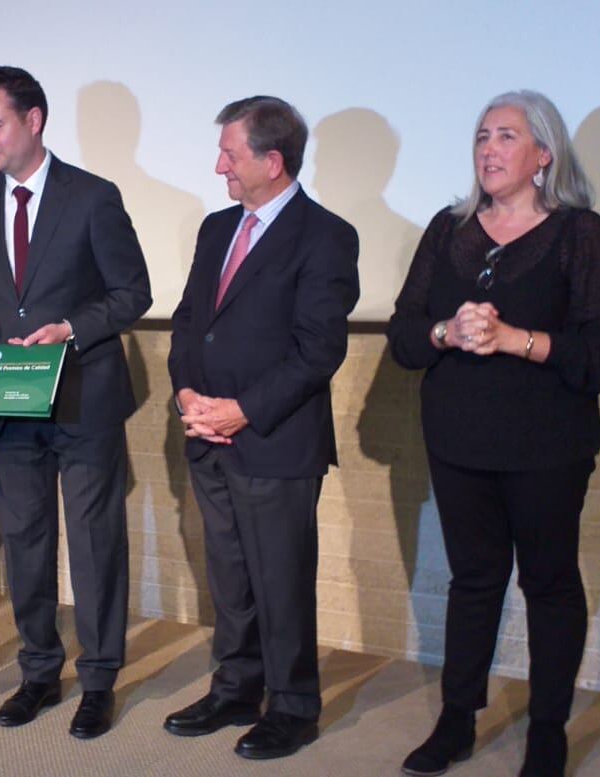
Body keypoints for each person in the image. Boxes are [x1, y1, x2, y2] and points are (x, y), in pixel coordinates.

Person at [386, 90, 600, 777]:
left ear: (544, 155)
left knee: (549, 582)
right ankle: (457, 719)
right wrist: (446, 331)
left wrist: (516, 339)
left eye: (507, 137)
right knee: (473, 579)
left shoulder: (581, 234)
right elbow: (405, 336)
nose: (489, 149)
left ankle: (547, 730)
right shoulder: (448, 229)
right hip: (458, 440)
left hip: (547, 446)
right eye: (482, 136)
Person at [0, 64, 151, 740]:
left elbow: (133, 293)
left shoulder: (95, 197)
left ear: (33, 120)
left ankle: (98, 679)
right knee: (27, 539)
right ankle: (40, 670)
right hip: (9, 395)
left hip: (85, 393)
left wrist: (71, 328)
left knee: (95, 543)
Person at [164, 96, 359, 760]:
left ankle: (294, 705)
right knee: (231, 577)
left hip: (274, 440)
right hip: (207, 436)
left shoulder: (326, 235)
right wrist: (188, 391)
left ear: (272, 161)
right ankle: (237, 688)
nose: (219, 164)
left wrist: (240, 409)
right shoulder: (218, 228)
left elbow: (317, 351)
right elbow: (190, 323)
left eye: (231, 153)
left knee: (280, 578)